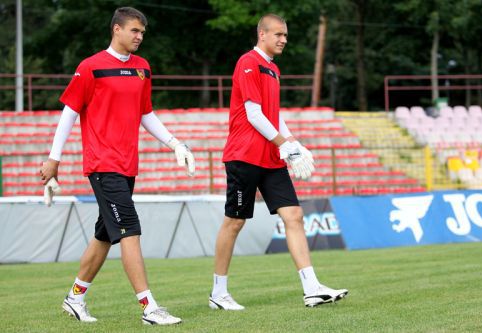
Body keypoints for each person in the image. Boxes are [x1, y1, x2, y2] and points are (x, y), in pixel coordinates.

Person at [39, 7, 194, 325]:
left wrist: (176, 144)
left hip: (127, 166)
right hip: (102, 164)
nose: (140, 37)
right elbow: (69, 113)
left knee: (104, 235)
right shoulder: (90, 67)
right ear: (117, 30)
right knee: (130, 231)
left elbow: (145, 113)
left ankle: (75, 298)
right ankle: (149, 308)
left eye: (142, 32)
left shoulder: (143, 68)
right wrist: (54, 159)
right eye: (135, 30)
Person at [209, 13, 348, 310]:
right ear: (262, 34)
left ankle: (311, 288)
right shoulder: (248, 62)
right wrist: (284, 144)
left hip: (271, 159)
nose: (283, 39)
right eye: (278, 35)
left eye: (285, 35)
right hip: (243, 155)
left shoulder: (273, 69)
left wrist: (294, 144)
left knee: (294, 216)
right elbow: (253, 114)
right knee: (234, 222)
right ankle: (218, 293)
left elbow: (274, 114)